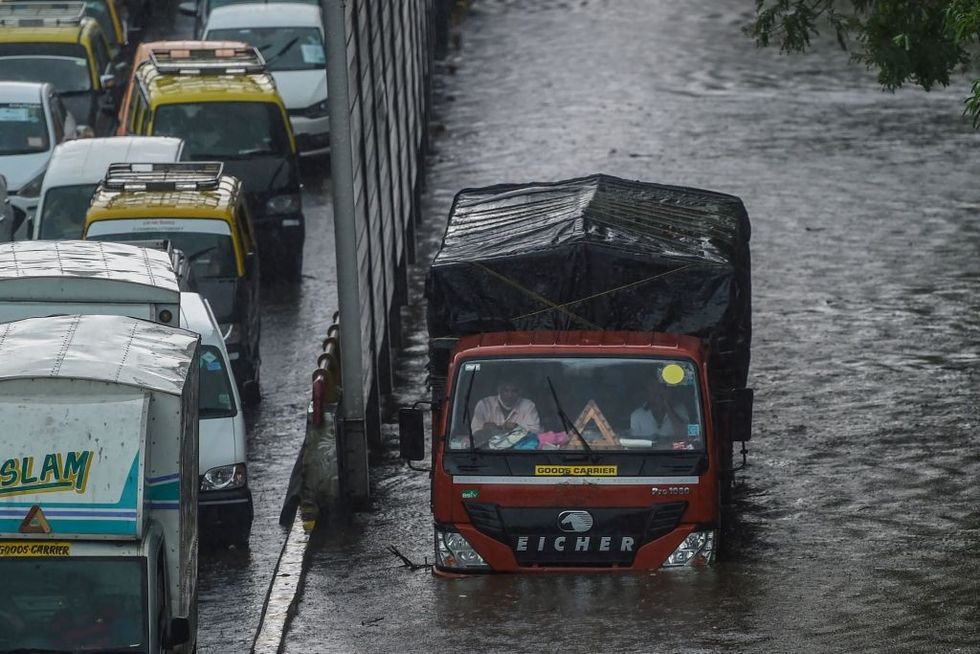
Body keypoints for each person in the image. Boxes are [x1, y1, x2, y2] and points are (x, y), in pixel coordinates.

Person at [471, 377, 541, 445]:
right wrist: (516, 431)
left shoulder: (528, 406)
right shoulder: (484, 405)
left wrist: (498, 429)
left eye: (514, 391)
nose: (510, 395)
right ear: (499, 390)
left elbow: (535, 432)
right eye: (506, 391)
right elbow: (475, 433)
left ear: (520, 392)